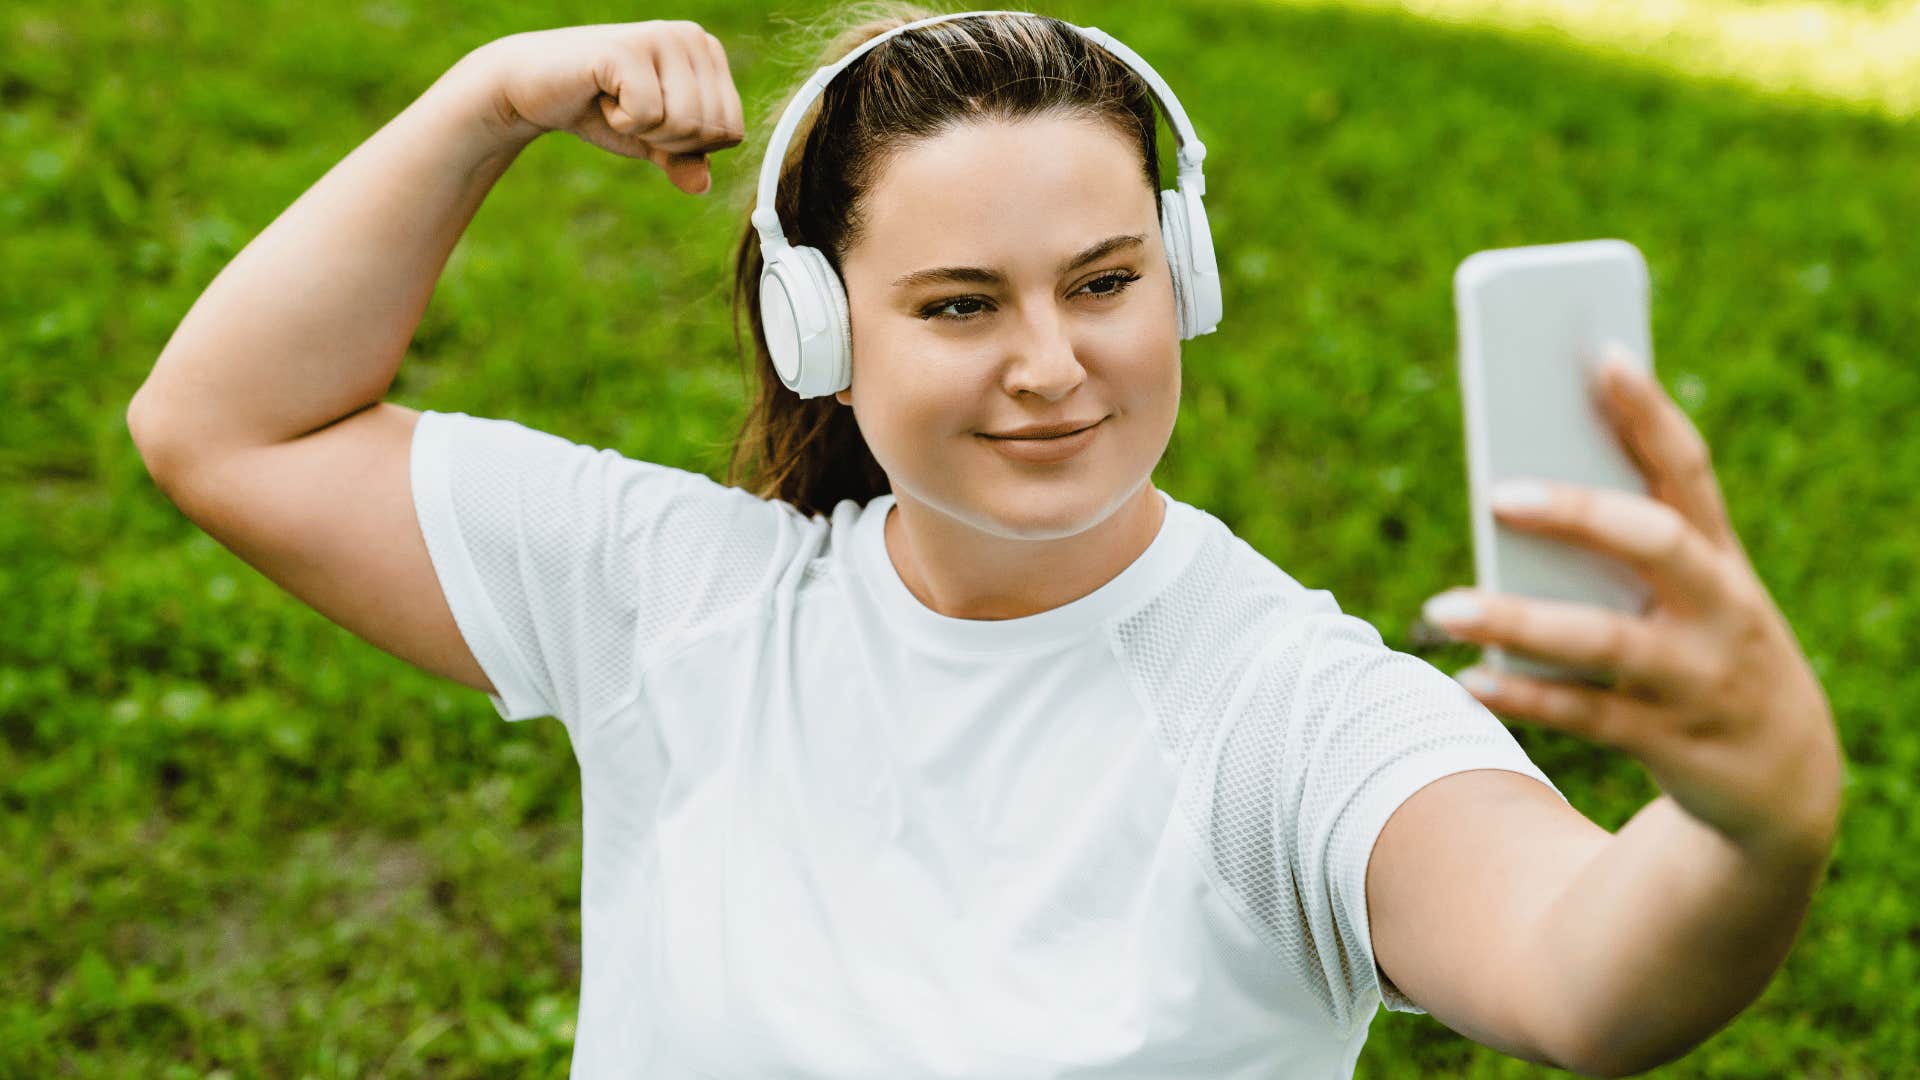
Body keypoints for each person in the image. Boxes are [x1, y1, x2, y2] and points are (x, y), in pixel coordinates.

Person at [126, 5, 1845, 1078]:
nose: (1051, 364)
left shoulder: (1285, 706)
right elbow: (222, 428)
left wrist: (1755, 818)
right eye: (959, 305)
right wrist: (482, 100)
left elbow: (1581, 975)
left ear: (1186, 276)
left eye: (1105, 282)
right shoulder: (682, 605)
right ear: (820, 331)